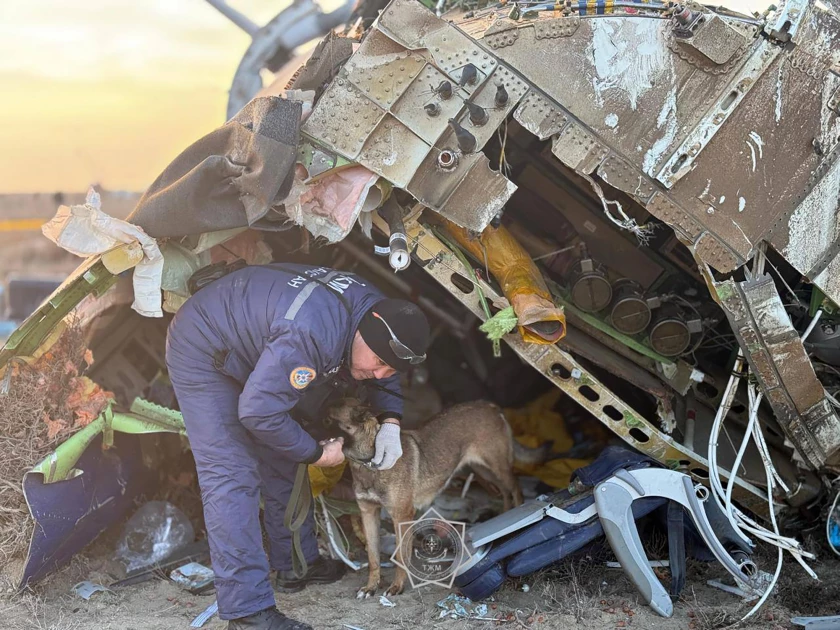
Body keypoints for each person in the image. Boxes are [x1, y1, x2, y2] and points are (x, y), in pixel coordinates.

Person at [165, 262, 431, 630]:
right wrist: (319, 454)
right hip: (205, 345)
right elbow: (258, 412)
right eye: (380, 363)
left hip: (256, 340)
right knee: (231, 473)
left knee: (282, 452)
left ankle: (296, 565)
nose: (381, 375)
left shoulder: (375, 312)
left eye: (392, 369)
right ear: (364, 335)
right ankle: (247, 612)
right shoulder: (311, 335)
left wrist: (391, 420)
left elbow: (383, 370)